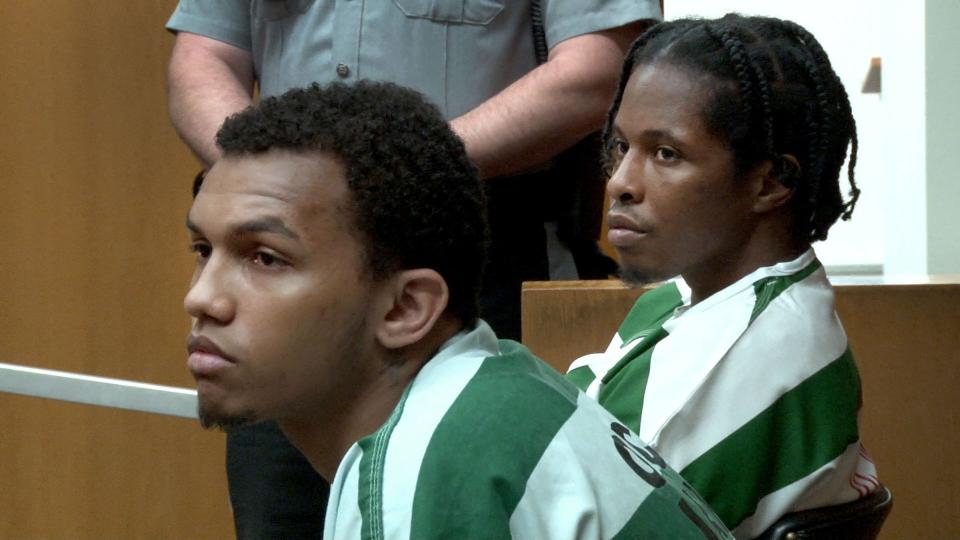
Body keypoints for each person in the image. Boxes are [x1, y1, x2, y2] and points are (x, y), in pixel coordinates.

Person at [165, 5, 660, 535]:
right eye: (202, 250)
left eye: (263, 258)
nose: (199, 300)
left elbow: (595, 66)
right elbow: (203, 54)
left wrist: (376, 182)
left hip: (475, 237)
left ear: (406, 306)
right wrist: (266, 188)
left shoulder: (419, 482)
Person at [565, 14, 880, 539]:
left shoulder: (749, 354)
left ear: (771, 183)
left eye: (666, 153)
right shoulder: (687, 297)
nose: (620, 182)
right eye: (621, 147)